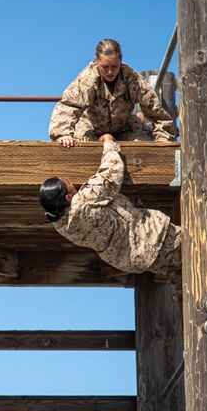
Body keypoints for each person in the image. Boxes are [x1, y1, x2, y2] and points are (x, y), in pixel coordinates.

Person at [38, 138, 182, 290]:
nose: (73, 183)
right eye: (68, 183)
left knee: (179, 274)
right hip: (150, 239)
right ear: (67, 197)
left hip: (132, 258)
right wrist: (108, 142)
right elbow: (111, 174)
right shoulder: (82, 203)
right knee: (195, 249)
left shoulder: (61, 225)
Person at [49, 38, 175, 148]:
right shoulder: (87, 79)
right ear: (96, 60)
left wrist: (163, 141)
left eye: (114, 66)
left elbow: (156, 112)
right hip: (91, 127)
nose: (110, 72)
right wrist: (63, 134)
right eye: (105, 67)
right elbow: (68, 105)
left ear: (121, 60)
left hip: (124, 126)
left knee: (144, 146)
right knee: (79, 147)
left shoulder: (131, 78)